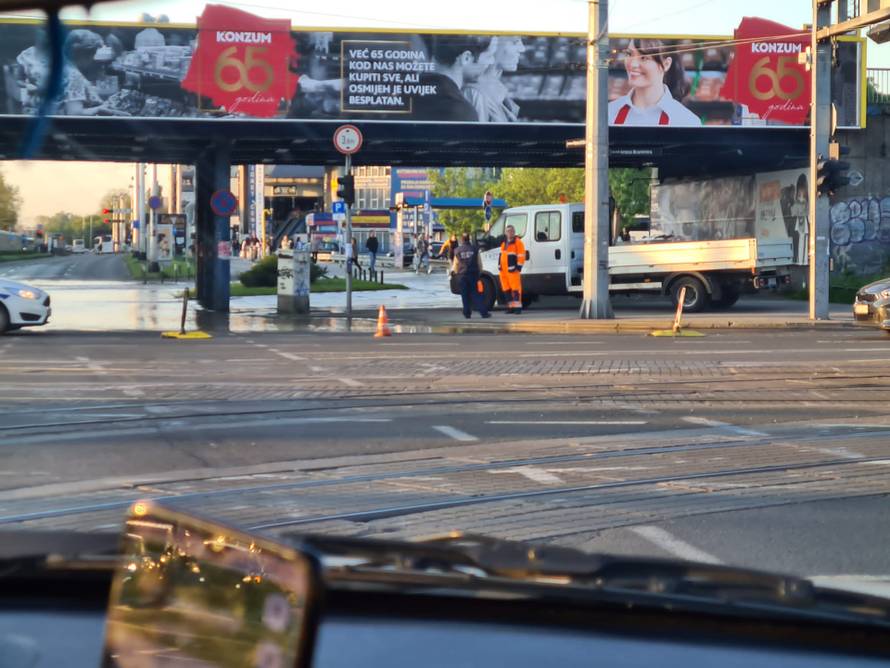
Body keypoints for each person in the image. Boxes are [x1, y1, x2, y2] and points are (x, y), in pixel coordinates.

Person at [607, 38, 701, 127]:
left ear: (666, 64)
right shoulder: (608, 114)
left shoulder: (687, 121)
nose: (633, 64)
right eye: (629, 54)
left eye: (644, 58)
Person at [464, 36, 527, 122]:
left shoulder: (498, 90)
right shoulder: (474, 93)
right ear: (494, 42)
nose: (522, 48)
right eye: (515, 42)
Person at [452, 233, 490, 319]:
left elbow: (456, 264)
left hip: (462, 275)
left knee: (464, 295)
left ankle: (467, 313)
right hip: (473, 274)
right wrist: (480, 271)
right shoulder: (475, 249)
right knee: (476, 294)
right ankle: (483, 313)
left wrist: (455, 273)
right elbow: (479, 262)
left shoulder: (457, 250)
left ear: (462, 240)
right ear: (469, 239)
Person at [499, 224, 525, 314]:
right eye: (508, 231)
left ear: (514, 232)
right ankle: (510, 308)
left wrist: (518, 267)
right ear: (505, 233)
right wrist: (499, 266)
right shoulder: (504, 243)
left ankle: (517, 309)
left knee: (515, 290)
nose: (509, 233)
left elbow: (521, 255)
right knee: (506, 290)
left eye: (511, 231)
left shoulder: (518, 242)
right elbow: (501, 255)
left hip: (513, 270)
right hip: (504, 271)